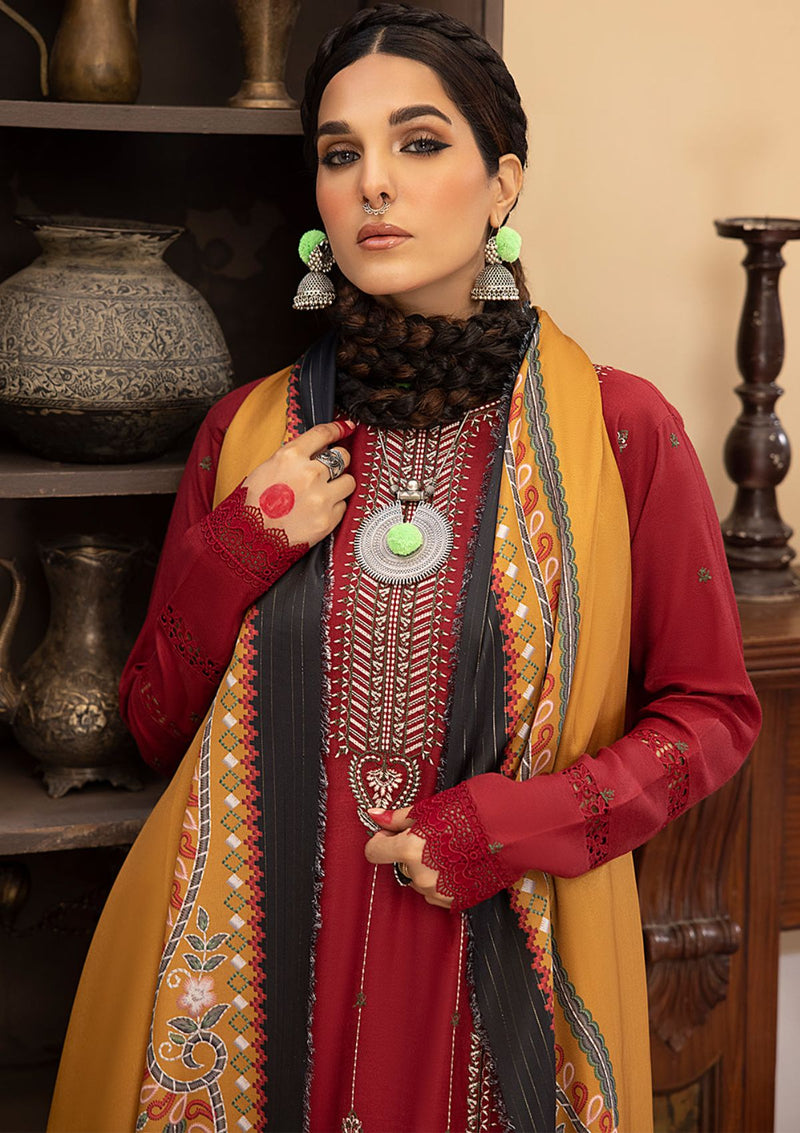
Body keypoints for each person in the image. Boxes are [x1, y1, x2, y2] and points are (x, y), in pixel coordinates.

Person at [48, 5, 761, 1132]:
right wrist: (242, 544)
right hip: (260, 980)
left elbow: (710, 716)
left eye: (418, 143)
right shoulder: (250, 435)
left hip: (494, 969)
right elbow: (151, 721)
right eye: (341, 154)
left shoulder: (618, 430)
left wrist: (508, 826)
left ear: (503, 183)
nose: (372, 182)